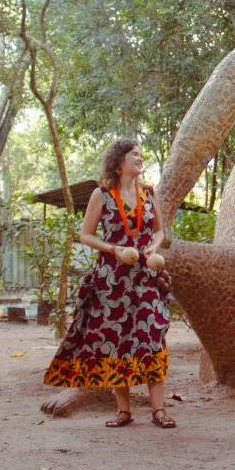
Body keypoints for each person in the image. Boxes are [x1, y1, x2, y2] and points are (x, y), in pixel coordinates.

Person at [43, 139, 176, 429]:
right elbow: (86, 236)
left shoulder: (149, 194)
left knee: (153, 337)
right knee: (118, 341)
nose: (140, 158)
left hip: (145, 278)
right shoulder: (101, 195)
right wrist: (114, 249)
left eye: (142, 154)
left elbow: (159, 231)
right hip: (112, 280)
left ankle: (159, 410)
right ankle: (124, 411)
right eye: (134, 155)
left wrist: (153, 249)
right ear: (118, 164)